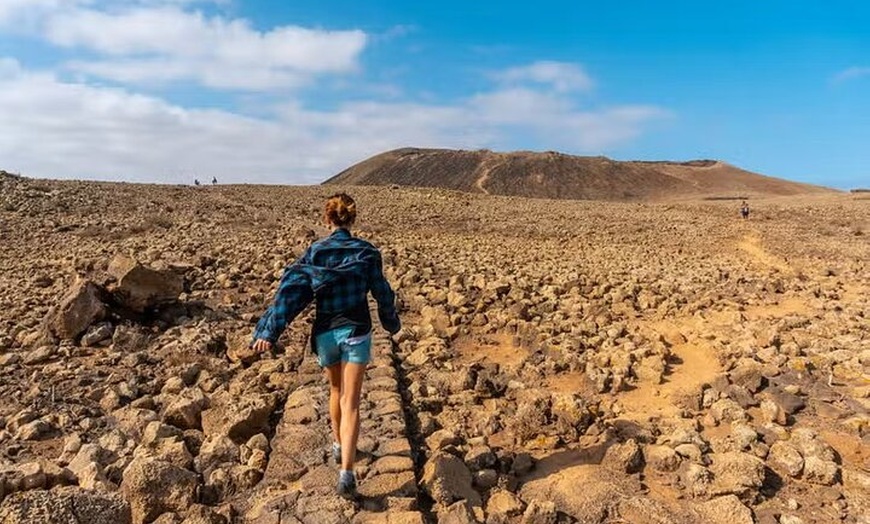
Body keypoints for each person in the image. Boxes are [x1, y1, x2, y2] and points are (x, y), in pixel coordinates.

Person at [250, 193, 401, 499]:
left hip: (326, 333)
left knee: (335, 392)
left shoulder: (315, 252)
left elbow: (291, 293)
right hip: (357, 330)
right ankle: (347, 471)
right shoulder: (367, 252)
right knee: (352, 402)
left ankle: (336, 443)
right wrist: (390, 322)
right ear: (352, 219)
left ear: (327, 219)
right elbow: (382, 292)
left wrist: (269, 331)